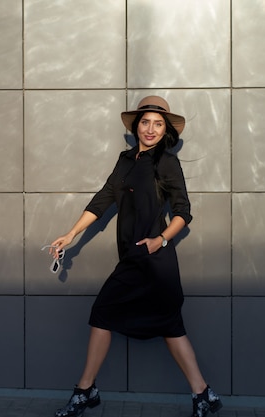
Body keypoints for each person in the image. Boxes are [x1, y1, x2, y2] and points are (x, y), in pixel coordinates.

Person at [48, 96, 222, 417]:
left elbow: (183, 211)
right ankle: (203, 394)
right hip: (132, 256)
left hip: (154, 260)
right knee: (170, 326)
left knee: (107, 313)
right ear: (136, 126)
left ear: (165, 128)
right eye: (145, 122)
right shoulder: (125, 160)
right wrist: (71, 234)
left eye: (158, 123)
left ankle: (85, 390)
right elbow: (103, 199)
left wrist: (161, 240)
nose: (151, 129)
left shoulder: (166, 162)